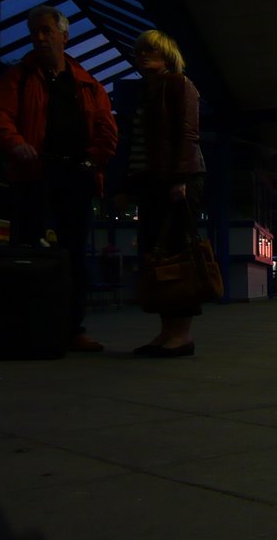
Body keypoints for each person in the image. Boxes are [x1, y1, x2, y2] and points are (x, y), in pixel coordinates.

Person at [0, 5, 118, 352]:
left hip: (75, 177)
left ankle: (71, 328)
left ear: (64, 34)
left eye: (46, 31)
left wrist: (91, 162)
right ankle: (33, 326)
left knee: (73, 254)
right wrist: (17, 144)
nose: (39, 38)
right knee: (32, 249)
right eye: (34, 33)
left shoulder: (88, 84)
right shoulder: (21, 77)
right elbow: (1, 115)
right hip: (34, 175)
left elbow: (107, 129)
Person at [121, 29, 207, 357]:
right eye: (140, 51)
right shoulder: (147, 91)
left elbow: (187, 132)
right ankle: (167, 331)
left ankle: (181, 335)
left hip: (178, 180)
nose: (143, 56)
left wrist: (180, 179)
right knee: (159, 258)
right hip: (155, 182)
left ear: (167, 55)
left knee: (177, 256)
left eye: (151, 51)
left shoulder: (178, 85)